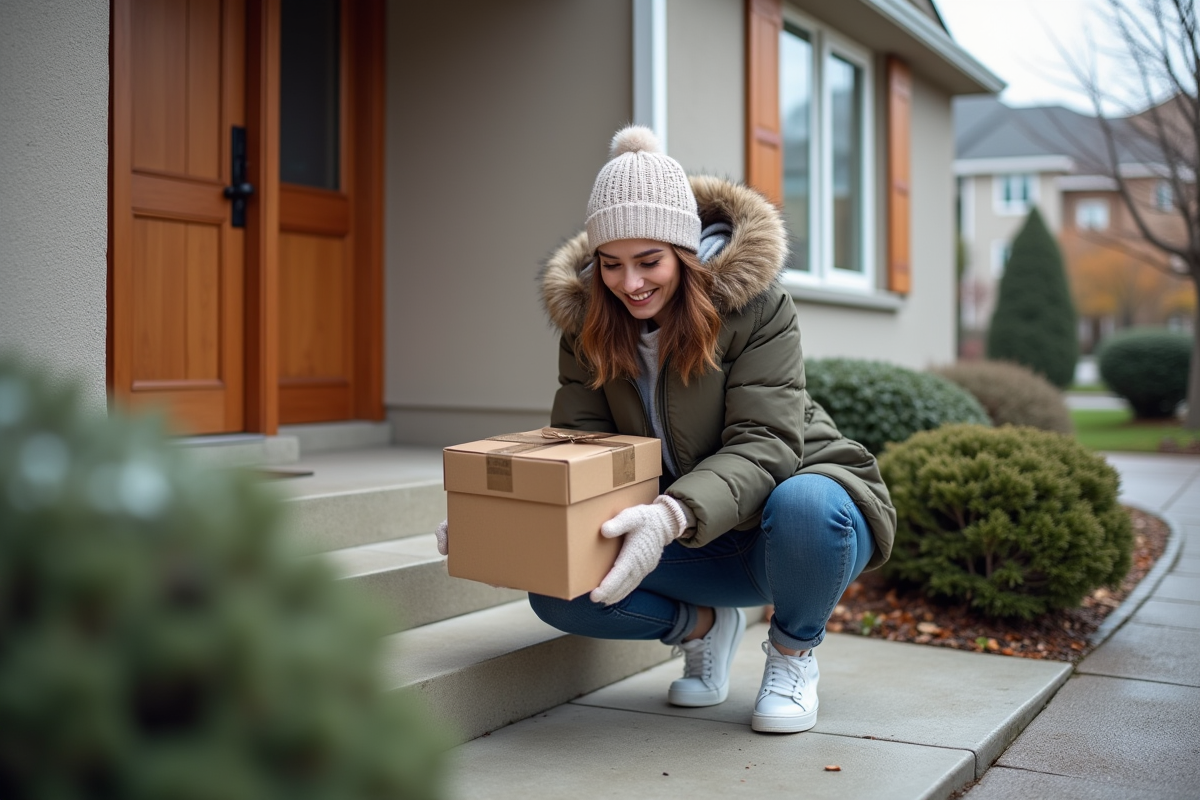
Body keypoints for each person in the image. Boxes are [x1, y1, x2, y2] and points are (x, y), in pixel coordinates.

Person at [437, 125, 895, 734]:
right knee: (556, 590)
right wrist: (507, 516)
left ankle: (792, 654)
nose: (630, 284)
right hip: (693, 545)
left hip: (788, 532)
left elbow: (766, 445)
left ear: (685, 251)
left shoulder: (756, 309)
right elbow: (581, 450)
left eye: (649, 261)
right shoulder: (587, 327)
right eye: (611, 264)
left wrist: (671, 514)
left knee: (807, 502)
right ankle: (703, 628)